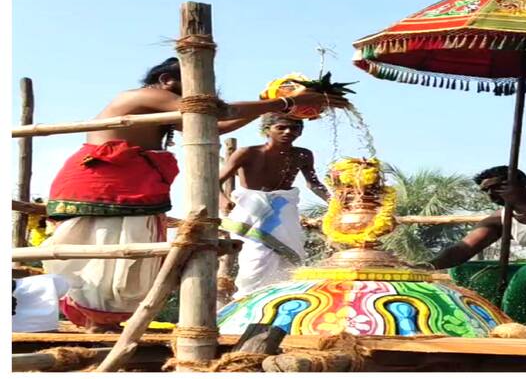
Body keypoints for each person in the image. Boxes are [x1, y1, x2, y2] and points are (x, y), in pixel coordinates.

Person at [42, 58, 350, 332]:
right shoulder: (146, 96)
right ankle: (96, 322)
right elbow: (214, 116)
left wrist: (269, 104)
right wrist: (281, 103)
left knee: (124, 265)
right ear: (167, 80)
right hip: (105, 185)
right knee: (102, 257)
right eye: (195, 90)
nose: (203, 98)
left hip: (133, 189)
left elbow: (213, 126)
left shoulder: (166, 107)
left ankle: (104, 324)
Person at [219, 113, 330, 299]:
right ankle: (248, 301)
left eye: (294, 128)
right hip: (252, 212)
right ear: (267, 130)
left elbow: (313, 183)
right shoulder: (247, 153)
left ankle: (283, 300)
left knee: (290, 257)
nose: (288, 132)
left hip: (285, 211)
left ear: (300, 132)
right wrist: (224, 201)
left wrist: (336, 201)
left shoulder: (303, 155)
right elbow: (216, 181)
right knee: (255, 259)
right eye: (281, 127)